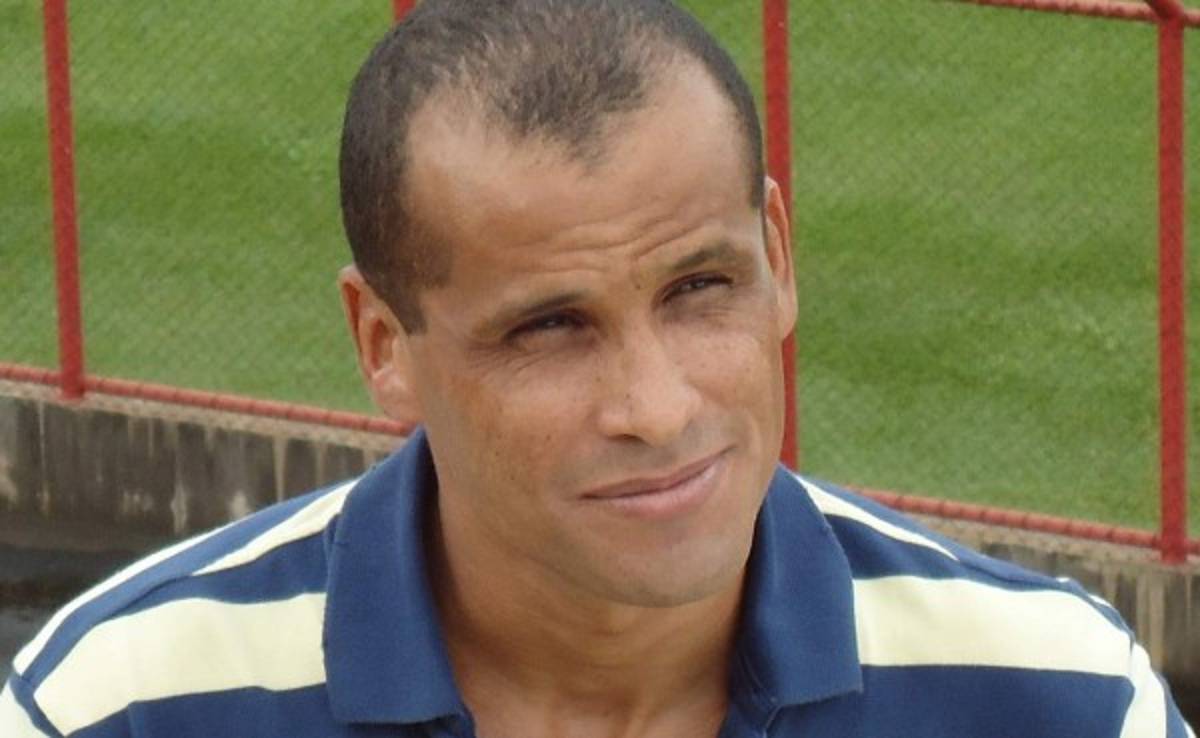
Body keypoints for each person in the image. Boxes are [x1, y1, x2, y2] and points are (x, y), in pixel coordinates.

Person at [2, 0, 1192, 735]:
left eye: (700, 289)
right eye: (548, 329)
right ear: (383, 347)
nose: (658, 410)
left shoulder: (1066, 699)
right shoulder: (117, 706)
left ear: (779, 257)